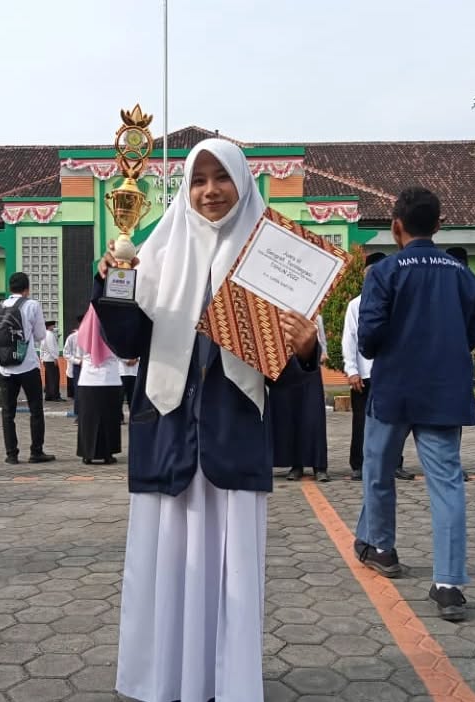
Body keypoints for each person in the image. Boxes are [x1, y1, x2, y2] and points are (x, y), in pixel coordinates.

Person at [93, 139, 320, 702]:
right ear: (186, 190)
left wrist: (304, 349)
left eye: (222, 178)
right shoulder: (158, 254)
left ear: (243, 184)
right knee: (165, 562)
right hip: (168, 430)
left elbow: (285, 379)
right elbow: (128, 343)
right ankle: (162, 678)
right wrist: (115, 283)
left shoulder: (272, 262)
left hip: (233, 434)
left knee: (230, 569)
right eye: (199, 180)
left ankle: (227, 683)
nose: (210, 191)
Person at [354, 187, 475, 622]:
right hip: (444, 392)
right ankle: (448, 584)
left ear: (396, 227)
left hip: (394, 389)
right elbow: (473, 329)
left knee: (378, 470)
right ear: (439, 225)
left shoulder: (385, 272)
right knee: (447, 483)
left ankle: (382, 549)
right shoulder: (462, 274)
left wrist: (383, 349)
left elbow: (369, 335)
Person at [342, 253, 415, 481]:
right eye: (370, 273)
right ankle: (359, 465)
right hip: (364, 375)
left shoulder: (396, 303)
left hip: (392, 373)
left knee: (395, 420)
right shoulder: (356, 304)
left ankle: (394, 463)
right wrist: (352, 370)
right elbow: (349, 339)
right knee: (361, 422)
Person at [0, 272, 55, 465]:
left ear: (10, 288)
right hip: (27, 365)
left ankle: (11, 454)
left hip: (5, 367)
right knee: (36, 410)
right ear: (27, 289)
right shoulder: (32, 305)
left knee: (8, 412)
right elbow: (40, 335)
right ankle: (36, 452)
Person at [270, 313, 329, 482]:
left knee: (314, 418)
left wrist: (322, 352)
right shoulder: (279, 315)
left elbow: (321, 340)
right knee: (291, 418)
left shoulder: (315, 315)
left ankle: (320, 466)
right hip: (287, 369)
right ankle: (296, 465)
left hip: (310, 369)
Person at [76, 305, 123, 465]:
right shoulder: (114, 330)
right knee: (109, 419)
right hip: (110, 379)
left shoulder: (82, 332)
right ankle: (107, 454)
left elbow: (79, 354)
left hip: (87, 380)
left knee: (87, 420)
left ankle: (87, 454)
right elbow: (121, 353)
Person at [446, 246, 474, 482]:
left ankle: (393, 463)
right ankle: (451, 465)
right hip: (456, 362)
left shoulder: (440, 284)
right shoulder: (468, 282)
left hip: (426, 361)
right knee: (451, 418)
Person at [63, 314, 84, 419]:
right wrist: (78, 361)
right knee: (79, 391)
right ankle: (78, 415)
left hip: (91, 366)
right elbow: (66, 353)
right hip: (78, 366)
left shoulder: (94, 336)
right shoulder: (72, 337)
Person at [40, 320, 62, 401]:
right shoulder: (50, 335)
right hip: (51, 359)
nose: (54, 327)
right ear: (49, 326)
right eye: (53, 325)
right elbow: (51, 347)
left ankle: (48, 395)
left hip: (46, 359)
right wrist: (55, 358)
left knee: (49, 378)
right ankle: (55, 396)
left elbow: (41, 348)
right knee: (54, 378)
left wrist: (42, 358)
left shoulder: (44, 334)